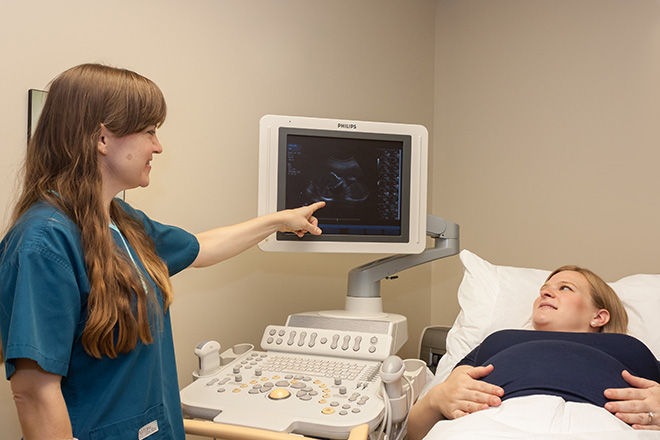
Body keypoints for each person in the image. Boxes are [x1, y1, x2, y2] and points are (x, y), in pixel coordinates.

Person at [0, 63, 326, 440]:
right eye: (150, 131)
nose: (158, 146)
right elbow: (34, 393)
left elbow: (199, 247)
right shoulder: (43, 242)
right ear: (102, 138)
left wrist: (278, 221)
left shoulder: (120, 222)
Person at [408, 265, 660, 440]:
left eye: (565, 288)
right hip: (489, 425)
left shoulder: (630, 348)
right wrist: (437, 397)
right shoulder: (497, 341)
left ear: (599, 316)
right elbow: (415, 432)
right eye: (544, 288)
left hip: (609, 428)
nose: (545, 292)